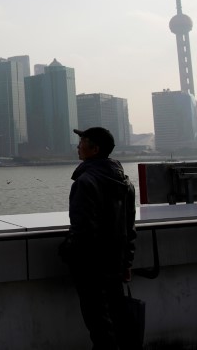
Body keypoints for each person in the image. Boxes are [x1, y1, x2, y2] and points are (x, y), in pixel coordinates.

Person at [58, 126, 137, 350]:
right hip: (115, 264)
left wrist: (68, 253)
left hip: (92, 268)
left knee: (99, 324)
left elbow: (82, 230)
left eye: (82, 143)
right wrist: (127, 263)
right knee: (116, 320)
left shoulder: (85, 182)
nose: (78, 147)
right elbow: (129, 227)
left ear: (94, 149)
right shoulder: (126, 183)